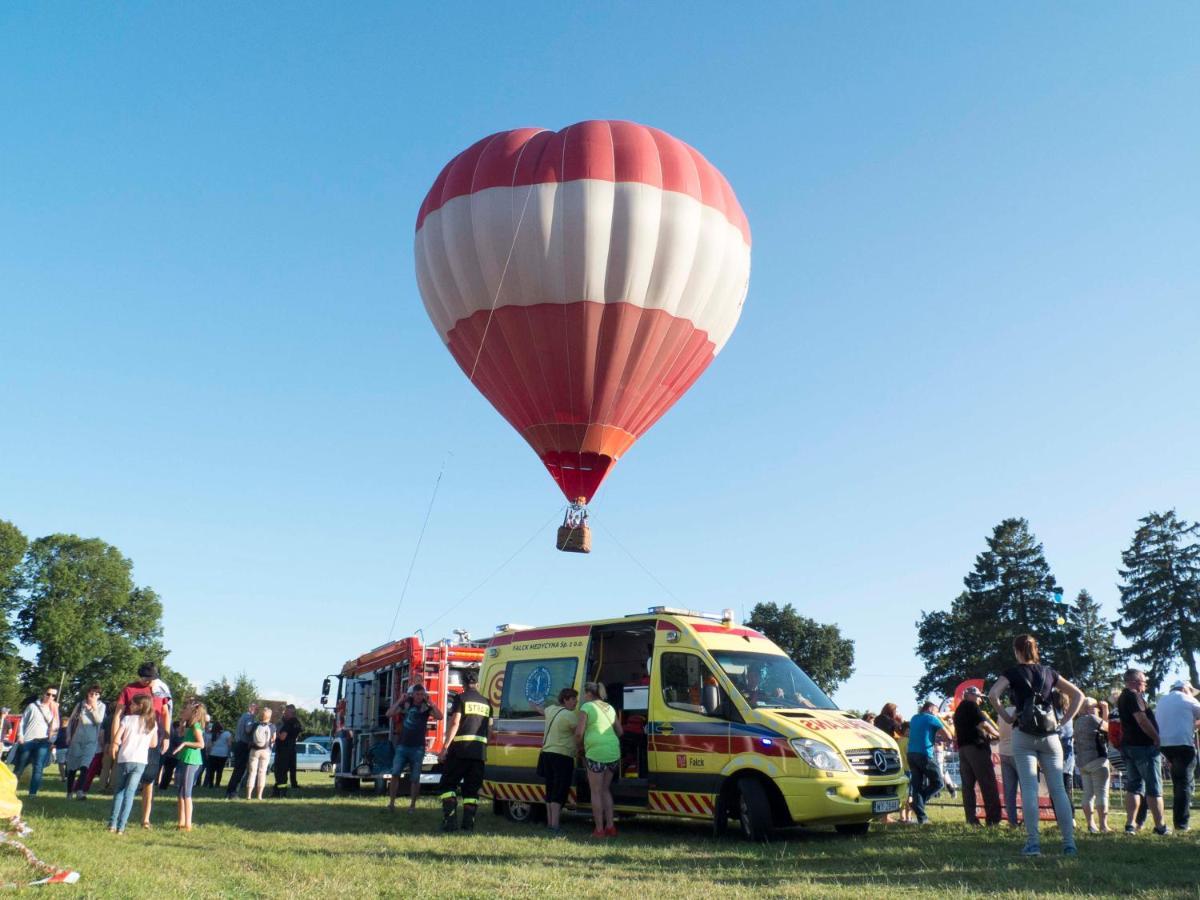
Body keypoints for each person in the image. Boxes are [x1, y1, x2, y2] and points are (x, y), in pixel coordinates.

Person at [987, 633, 1083, 857]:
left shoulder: (1012, 673)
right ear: (1035, 650)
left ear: (1016, 651)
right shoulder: (1049, 672)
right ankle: (1069, 843)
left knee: (1029, 789)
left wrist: (1007, 716)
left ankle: (1033, 844)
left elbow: (993, 694)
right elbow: (1078, 695)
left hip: (1023, 732)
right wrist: (1063, 721)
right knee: (1058, 789)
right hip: (1050, 735)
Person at [111, 662, 172, 829]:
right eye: (149, 678)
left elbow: (166, 713)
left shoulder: (160, 690)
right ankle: (116, 819)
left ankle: (145, 818)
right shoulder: (129, 690)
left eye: (154, 678)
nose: (151, 681)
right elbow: (118, 714)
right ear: (142, 677)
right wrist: (115, 741)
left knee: (149, 780)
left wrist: (166, 736)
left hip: (151, 740)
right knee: (125, 782)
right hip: (131, 741)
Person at [437, 671, 491, 832]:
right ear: (478, 684)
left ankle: (450, 822)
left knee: (447, 785)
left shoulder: (461, 698)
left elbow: (455, 723)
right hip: (479, 753)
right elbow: (490, 729)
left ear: (463, 684)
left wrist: (445, 747)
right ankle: (468, 825)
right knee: (471, 790)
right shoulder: (487, 703)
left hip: (460, 751)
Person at [1117, 668, 1167, 835]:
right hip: (1143, 747)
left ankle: (1130, 824)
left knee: (1134, 786)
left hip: (1128, 746)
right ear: (1136, 682)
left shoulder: (1122, 697)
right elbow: (1142, 719)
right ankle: (1160, 826)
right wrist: (1156, 737)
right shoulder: (1134, 696)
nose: (1145, 685)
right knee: (1154, 787)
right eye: (1144, 682)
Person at [574, 681, 623, 838]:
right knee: (605, 790)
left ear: (589, 694)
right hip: (612, 752)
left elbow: (578, 733)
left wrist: (579, 747)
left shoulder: (587, 707)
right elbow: (620, 731)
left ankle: (599, 830)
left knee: (595, 791)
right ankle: (611, 827)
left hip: (596, 753)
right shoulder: (609, 707)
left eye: (584, 693)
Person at [951, 686, 1002, 825]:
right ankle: (993, 819)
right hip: (976, 749)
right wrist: (998, 735)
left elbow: (971, 729)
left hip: (963, 749)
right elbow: (984, 723)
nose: (980, 700)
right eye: (979, 697)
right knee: (988, 784)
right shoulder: (971, 706)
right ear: (971, 696)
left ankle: (971, 819)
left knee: (968, 787)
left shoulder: (958, 710)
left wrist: (987, 736)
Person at [1155, 679, 1200, 832]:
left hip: (1165, 745)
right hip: (1183, 744)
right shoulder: (1188, 699)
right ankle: (1181, 823)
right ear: (1185, 688)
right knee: (1184, 784)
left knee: (1179, 782)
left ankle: (1181, 814)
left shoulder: (1162, 700)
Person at [386, 688, 442, 811]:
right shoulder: (406, 705)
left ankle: (412, 806)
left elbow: (440, 716)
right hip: (402, 746)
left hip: (418, 747)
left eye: (422, 694)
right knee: (395, 773)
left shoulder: (426, 707)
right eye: (417, 694)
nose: (419, 696)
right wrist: (400, 699)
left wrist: (431, 703)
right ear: (413, 694)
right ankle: (391, 803)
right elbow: (389, 713)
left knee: (415, 777)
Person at [534, 687, 579, 834]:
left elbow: (540, 710)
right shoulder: (570, 716)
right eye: (573, 699)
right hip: (562, 756)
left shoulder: (552, 709)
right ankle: (555, 826)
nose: (576, 702)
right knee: (559, 791)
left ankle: (550, 823)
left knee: (550, 789)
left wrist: (531, 702)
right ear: (565, 699)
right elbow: (579, 733)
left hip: (547, 754)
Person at [108, 696, 157, 834]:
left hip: (125, 758)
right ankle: (121, 827)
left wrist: (117, 745)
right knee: (130, 794)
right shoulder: (152, 722)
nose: (130, 706)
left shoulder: (127, 719)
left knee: (119, 791)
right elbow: (153, 744)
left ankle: (112, 823)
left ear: (139, 705)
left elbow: (117, 738)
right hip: (140, 760)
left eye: (132, 704)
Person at [906, 701, 951, 825]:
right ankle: (917, 805)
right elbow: (948, 736)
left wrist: (935, 738)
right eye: (936, 711)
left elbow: (919, 734)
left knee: (917, 785)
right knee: (938, 783)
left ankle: (922, 817)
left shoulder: (914, 718)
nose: (937, 714)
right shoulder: (932, 718)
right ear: (931, 709)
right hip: (924, 754)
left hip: (911, 754)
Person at [13, 687, 61, 797]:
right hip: (28, 740)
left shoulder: (54, 710)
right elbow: (23, 722)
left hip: (44, 742)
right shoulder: (32, 706)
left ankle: (32, 794)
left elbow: (56, 728)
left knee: (38, 768)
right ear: (43, 693)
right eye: (48, 694)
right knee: (19, 767)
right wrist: (20, 735)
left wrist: (52, 741)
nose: (50, 697)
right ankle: (10, 790)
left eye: (53, 696)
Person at [1073, 696, 1111, 833]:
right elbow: (1108, 728)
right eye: (1097, 707)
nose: (1098, 710)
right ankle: (1103, 825)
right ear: (1090, 708)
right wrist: (1106, 709)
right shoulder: (1093, 719)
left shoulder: (1077, 722)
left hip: (1083, 762)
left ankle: (1090, 824)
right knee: (1101, 793)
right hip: (1097, 759)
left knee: (1088, 794)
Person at [64, 685, 105, 800]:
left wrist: (93, 709)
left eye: (96, 694)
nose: (94, 696)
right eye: (92, 694)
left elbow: (99, 721)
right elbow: (71, 721)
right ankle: (69, 793)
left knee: (85, 766)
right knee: (72, 767)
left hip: (91, 741)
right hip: (76, 740)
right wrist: (68, 736)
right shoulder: (80, 705)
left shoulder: (102, 706)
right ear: (87, 693)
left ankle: (80, 791)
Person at [174, 701, 205, 830]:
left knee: (186, 793)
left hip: (192, 761)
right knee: (180, 792)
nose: (183, 712)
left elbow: (201, 744)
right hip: (185, 759)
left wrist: (185, 744)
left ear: (193, 713)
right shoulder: (190, 726)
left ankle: (188, 824)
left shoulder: (196, 726)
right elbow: (180, 734)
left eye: (185, 710)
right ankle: (181, 822)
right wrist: (182, 724)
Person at [224, 702, 258, 799]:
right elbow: (248, 730)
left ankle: (229, 791)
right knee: (239, 771)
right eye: (256, 709)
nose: (257, 712)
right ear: (251, 708)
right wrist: (256, 725)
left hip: (238, 744)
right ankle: (233, 793)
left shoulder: (243, 716)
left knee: (237, 770)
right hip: (243, 745)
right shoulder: (249, 717)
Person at [245, 707, 276, 800]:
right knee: (262, 773)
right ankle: (259, 796)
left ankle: (248, 795)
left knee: (252, 773)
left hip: (254, 750)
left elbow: (248, 732)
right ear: (269, 717)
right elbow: (274, 739)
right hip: (266, 751)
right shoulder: (272, 726)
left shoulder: (255, 725)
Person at [272, 705, 304, 797]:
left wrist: (275, 733)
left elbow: (282, 737)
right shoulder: (297, 723)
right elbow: (299, 731)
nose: (284, 714)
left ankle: (280, 792)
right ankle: (281, 790)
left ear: (291, 713)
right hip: (292, 749)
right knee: (287, 770)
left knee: (280, 772)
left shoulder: (288, 723)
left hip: (283, 750)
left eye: (286, 712)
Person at [996, 704, 1020, 827]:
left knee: (1009, 791)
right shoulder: (1020, 709)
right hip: (1018, 751)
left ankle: (1012, 821)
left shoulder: (1001, 712)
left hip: (1003, 751)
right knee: (1027, 788)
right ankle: (1028, 820)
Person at [158, 720, 185, 789]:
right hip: (173, 755)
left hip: (168, 754)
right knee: (169, 772)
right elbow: (178, 743)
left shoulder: (171, 733)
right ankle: (163, 786)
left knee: (167, 771)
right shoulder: (176, 734)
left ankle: (162, 785)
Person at [205, 723, 231, 788]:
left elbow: (209, 746)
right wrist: (228, 753)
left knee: (211, 771)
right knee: (220, 771)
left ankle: (210, 784)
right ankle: (217, 784)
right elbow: (229, 744)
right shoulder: (227, 734)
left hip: (213, 754)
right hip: (223, 754)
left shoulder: (212, 735)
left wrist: (207, 753)